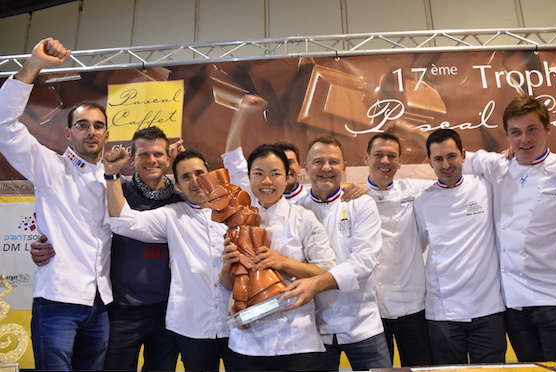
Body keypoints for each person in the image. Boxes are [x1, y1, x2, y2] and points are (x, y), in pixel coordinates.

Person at [0, 38, 113, 371]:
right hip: (58, 302)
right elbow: (4, 127)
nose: (90, 132)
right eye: (81, 125)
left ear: (107, 135)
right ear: (68, 135)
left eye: (98, 126)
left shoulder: (114, 180)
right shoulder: (51, 168)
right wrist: (34, 64)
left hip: (101, 304)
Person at [30, 127, 183, 371]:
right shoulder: (112, 190)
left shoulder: (180, 201)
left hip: (168, 312)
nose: (151, 160)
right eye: (143, 154)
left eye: (158, 154)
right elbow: (76, 223)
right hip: (122, 313)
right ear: (131, 159)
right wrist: (47, 240)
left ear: (168, 159)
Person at [463, 96, 556, 362]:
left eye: (532, 130)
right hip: (514, 305)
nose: (524, 139)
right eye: (515, 133)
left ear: (548, 129)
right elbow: (455, 160)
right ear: (507, 136)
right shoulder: (499, 166)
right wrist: (377, 185)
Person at [105, 149, 232, 372]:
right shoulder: (172, 215)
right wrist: (112, 176)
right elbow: (123, 222)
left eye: (199, 173)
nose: (194, 181)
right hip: (193, 327)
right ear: (178, 186)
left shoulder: (236, 211)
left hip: (237, 323)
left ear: (210, 174)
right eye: (185, 177)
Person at [219, 144, 336, 371]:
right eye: (259, 174)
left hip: (297, 340)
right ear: (249, 177)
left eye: (275, 174)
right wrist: (226, 267)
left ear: (287, 177)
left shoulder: (303, 218)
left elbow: (326, 272)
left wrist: (282, 262)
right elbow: (227, 283)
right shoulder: (236, 221)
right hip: (247, 343)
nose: (267, 182)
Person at [280, 135, 391, 371]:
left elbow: (363, 262)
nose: (326, 168)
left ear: (344, 167)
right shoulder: (295, 209)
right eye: (319, 161)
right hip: (314, 330)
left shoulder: (360, 203)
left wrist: (316, 284)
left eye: (334, 162)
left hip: (363, 326)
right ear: (306, 168)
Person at [414, 129, 506, 365]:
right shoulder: (423, 200)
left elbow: (505, 164)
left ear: (464, 154)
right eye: (438, 159)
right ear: (430, 162)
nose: (446, 164)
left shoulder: (485, 186)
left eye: (451, 156)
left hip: (488, 308)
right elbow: (421, 243)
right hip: (443, 313)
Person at [364, 133, 433, 367]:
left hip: (412, 305)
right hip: (372, 309)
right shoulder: (353, 197)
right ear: (366, 158)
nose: (385, 161)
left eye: (392, 156)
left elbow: (453, 178)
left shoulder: (413, 190)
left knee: (419, 368)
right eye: (379, 155)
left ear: (400, 162)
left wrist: (509, 157)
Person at [222, 94, 366, 203]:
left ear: (301, 168)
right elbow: (232, 158)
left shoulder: (312, 198)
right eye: (278, 167)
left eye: (290, 162)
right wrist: (242, 113)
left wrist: (364, 191)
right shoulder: (255, 194)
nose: (286, 168)